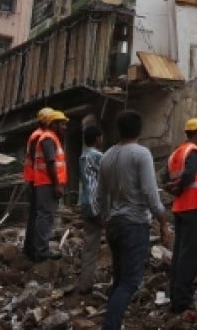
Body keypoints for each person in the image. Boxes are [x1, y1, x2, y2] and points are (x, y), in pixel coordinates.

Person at [98, 111, 170, 330]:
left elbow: (101, 196)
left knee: (120, 280)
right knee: (130, 282)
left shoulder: (107, 156)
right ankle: (110, 326)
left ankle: (113, 323)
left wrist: (106, 218)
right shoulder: (141, 154)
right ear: (139, 130)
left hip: (114, 223)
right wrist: (163, 221)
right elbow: (150, 193)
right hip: (134, 223)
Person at [165, 118, 197, 314]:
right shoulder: (193, 151)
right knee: (189, 255)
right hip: (194, 206)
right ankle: (183, 299)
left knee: (179, 253)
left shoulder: (176, 153)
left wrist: (174, 188)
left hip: (180, 208)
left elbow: (165, 178)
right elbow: (190, 174)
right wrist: (180, 186)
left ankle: (175, 295)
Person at [33, 109, 69, 261]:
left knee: (45, 216)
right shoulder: (48, 139)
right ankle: (42, 251)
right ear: (53, 124)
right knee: (45, 216)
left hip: (46, 183)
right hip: (47, 183)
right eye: (61, 124)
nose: (64, 127)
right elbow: (50, 163)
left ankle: (40, 249)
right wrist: (57, 185)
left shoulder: (51, 138)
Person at [74, 125, 104, 294]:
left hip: (85, 203)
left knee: (90, 244)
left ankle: (85, 282)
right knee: (118, 241)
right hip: (98, 205)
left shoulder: (82, 156)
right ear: (97, 138)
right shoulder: (98, 156)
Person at [22, 107, 51, 258]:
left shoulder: (36, 135)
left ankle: (30, 248)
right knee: (38, 215)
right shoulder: (39, 136)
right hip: (35, 180)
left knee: (35, 215)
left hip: (33, 179)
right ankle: (34, 250)